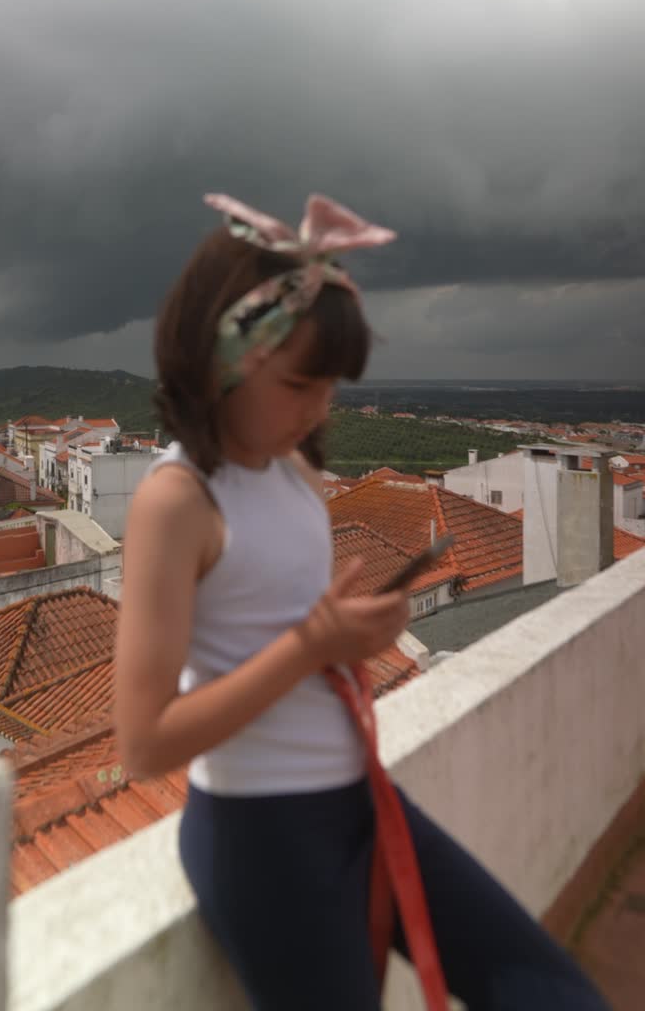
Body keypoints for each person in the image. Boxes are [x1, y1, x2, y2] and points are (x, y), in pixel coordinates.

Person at [115, 192, 610, 1011]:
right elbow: (143, 743)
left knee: (551, 992)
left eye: (330, 387)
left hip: (358, 801)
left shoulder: (293, 471)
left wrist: (349, 636)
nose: (319, 409)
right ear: (219, 362)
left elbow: (287, 633)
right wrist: (311, 647)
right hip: (262, 835)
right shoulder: (178, 500)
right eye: (300, 383)